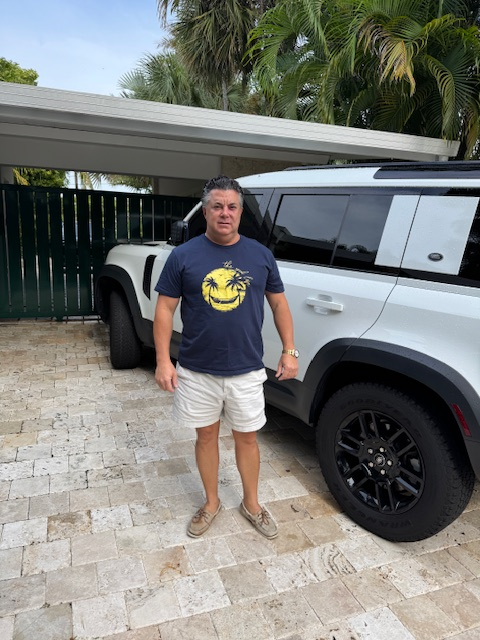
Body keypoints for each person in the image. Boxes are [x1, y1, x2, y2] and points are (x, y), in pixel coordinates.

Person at [153, 175, 298, 539]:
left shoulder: (260, 256)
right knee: (206, 437)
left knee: (247, 439)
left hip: (246, 370)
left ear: (240, 212)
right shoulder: (183, 256)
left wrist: (289, 350)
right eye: (217, 206)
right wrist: (163, 361)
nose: (225, 213)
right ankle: (211, 502)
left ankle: (252, 504)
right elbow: (165, 310)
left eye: (232, 207)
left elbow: (279, 305)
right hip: (196, 370)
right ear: (205, 212)